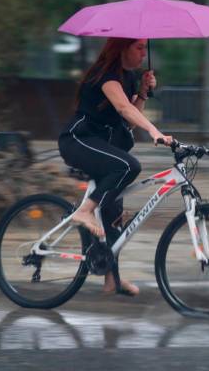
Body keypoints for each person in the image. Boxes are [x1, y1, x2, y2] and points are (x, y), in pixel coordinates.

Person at [58, 37, 173, 296]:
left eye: (145, 48)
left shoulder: (129, 77)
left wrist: (142, 91)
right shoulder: (106, 75)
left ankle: (112, 278)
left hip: (100, 145)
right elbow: (123, 108)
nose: (144, 53)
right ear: (123, 47)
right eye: (139, 47)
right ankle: (84, 211)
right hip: (78, 140)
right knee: (128, 166)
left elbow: (128, 123)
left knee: (114, 215)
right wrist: (155, 131)